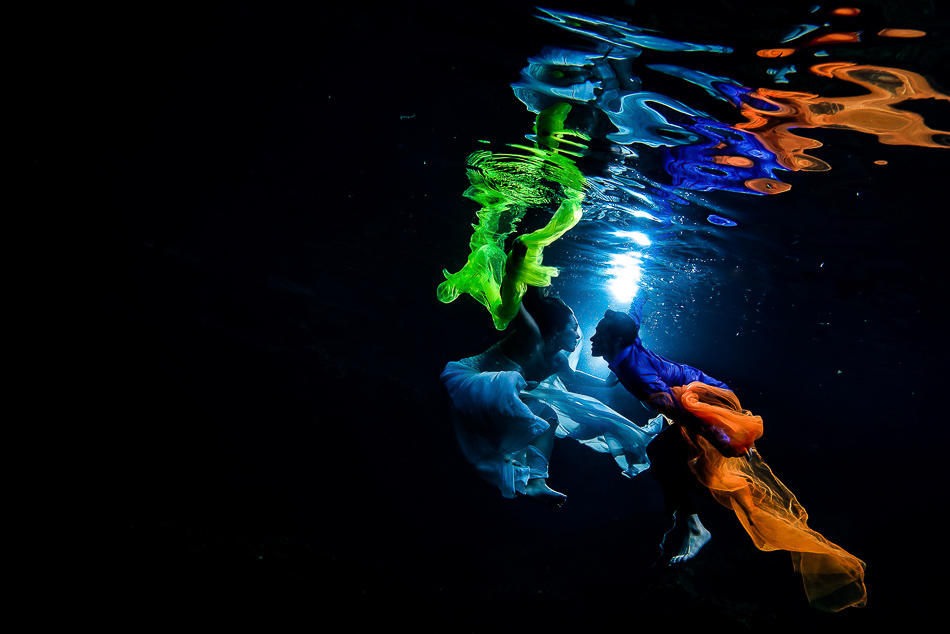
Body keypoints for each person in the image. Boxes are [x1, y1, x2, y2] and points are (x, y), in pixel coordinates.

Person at [590, 292, 867, 612]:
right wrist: (643, 294)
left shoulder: (639, 376)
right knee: (672, 461)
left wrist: (726, 440)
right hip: (694, 395)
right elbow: (634, 315)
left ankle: (701, 527)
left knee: (676, 460)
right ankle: (700, 524)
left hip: (706, 402)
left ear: (617, 339)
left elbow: (685, 416)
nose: (594, 338)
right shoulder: (626, 339)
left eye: (600, 333)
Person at [442, 239, 661, 506]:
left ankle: (536, 481)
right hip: (471, 379)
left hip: (503, 393)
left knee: (548, 415)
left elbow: (589, 381)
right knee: (516, 390)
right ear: (556, 332)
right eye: (574, 326)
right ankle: (503, 458)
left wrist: (614, 368)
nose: (579, 333)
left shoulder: (557, 361)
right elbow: (515, 299)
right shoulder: (531, 336)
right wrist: (516, 267)